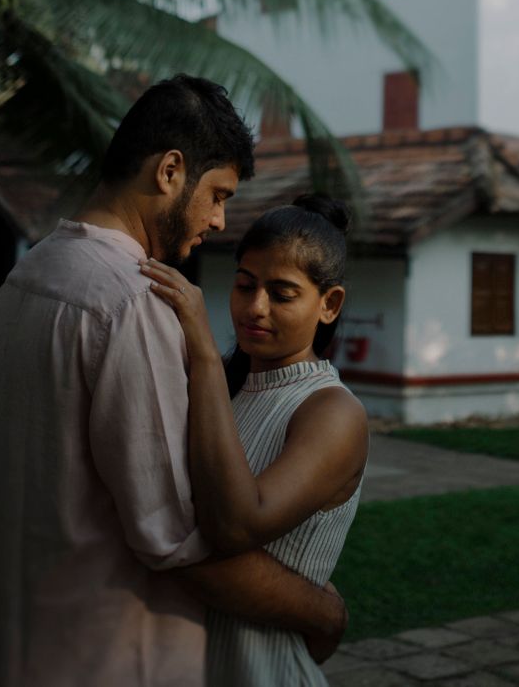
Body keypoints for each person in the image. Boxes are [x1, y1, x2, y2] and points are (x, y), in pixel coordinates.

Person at [0, 75, 348, 687]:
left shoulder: (29, 274)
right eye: (217, 194)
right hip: (102, 654)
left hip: (8, 634)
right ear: (169, 171)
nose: (219, 220)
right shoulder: (132, 304)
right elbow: (176, 539)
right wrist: (321, 610)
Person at [140, 193, 370, 687]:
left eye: (282, 294)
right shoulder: (221, 389)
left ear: (328, 304)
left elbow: (237, 526)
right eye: (245, 285)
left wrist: (202, 352)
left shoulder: (331, 411)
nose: (255, 307)